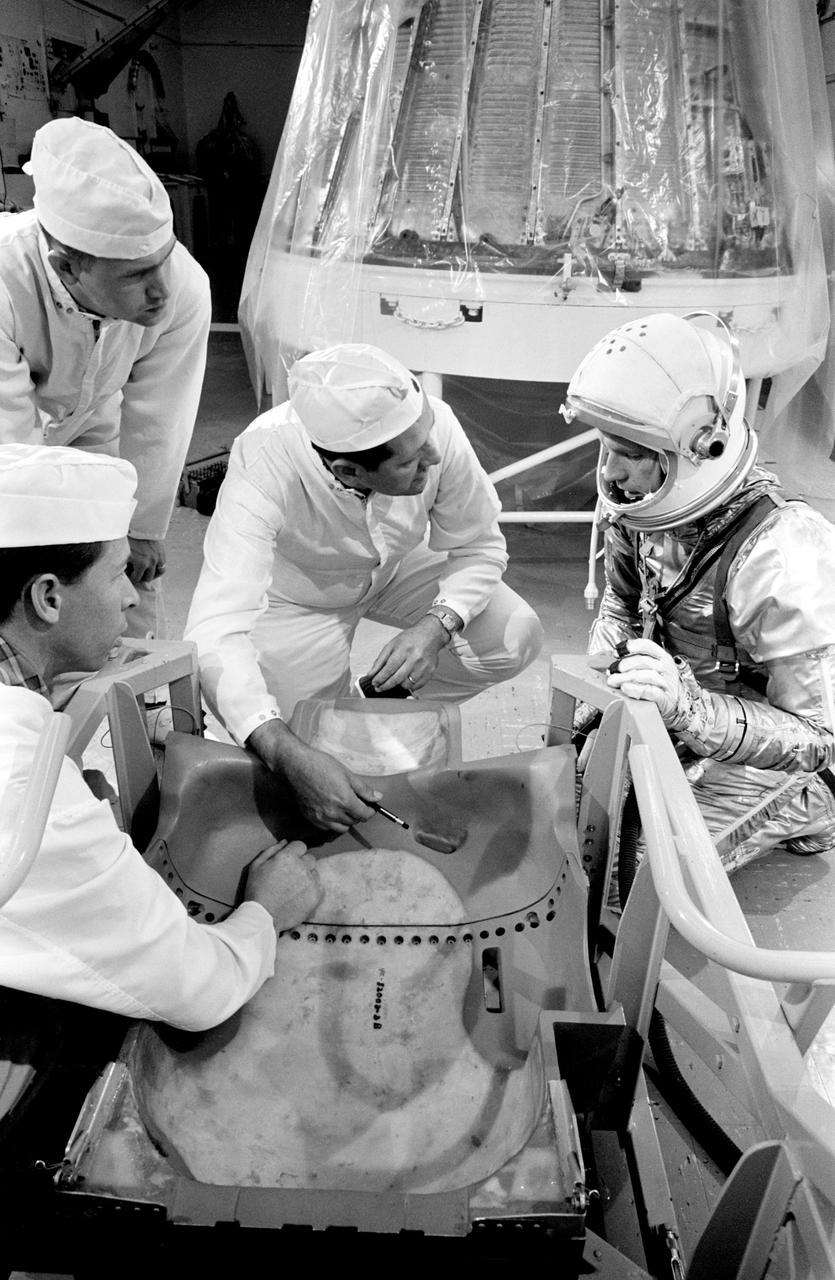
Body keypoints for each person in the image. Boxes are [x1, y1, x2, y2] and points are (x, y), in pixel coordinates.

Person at [0, 444, 322, 1032]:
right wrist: (265, 913)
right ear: (48, 598)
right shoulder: (25, 783)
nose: (131, 595)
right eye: (118, 572)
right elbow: (199, 989)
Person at [185, 342, 543, 833]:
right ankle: (346, 726)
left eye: (428, 443)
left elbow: (480, 546)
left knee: (514, 633)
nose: (433, 457)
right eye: (412, 462)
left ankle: (380, 702)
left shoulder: (430, 424)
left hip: (400, 566)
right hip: (299, 599)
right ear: (348, 471)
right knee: (312, 767)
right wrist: (283, 749)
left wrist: (435, 627)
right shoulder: (264, 463)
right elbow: (215, 630)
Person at [563, 311, 835, 874]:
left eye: (629, 454)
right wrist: (613, 677)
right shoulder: (639, 507)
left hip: (784, 755)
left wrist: (686, 709)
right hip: (678, 714)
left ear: (700, 447)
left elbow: (819, 737)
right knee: (558, 829)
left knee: (624, 878)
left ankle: (815, 810)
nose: (609, 472)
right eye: (605, 447)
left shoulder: (779, 551)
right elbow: (621, 601)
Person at [0, 116, 212, 640]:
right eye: (138, 276)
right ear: (66, 267)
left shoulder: (182, 285)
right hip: (7, 444)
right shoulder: (5, 281)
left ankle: (146, 708)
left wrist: (137, 531)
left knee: (127, 573)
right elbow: (14, 456)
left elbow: (160, 418)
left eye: (163, 261)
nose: (162, 289)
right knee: (34, 592)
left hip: (89, 421)